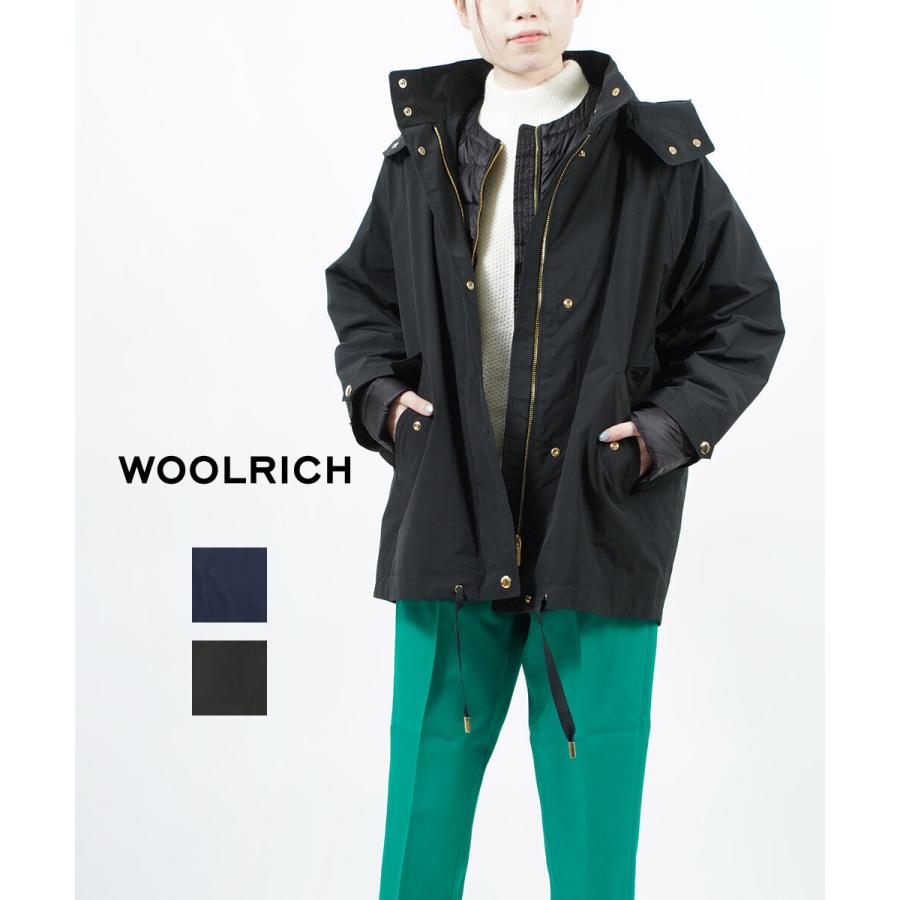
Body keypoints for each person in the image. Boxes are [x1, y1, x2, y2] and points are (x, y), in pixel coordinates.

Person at [324, 2, 785, 897]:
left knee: (594, 844)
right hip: (449, 519)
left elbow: (744, 317)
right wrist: (384, 403)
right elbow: (362, 297)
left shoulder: (659, 162)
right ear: (466, 10)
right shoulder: (419, 158)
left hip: (598, 523)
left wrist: (661, 435)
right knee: (421, 818)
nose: (525, 7)